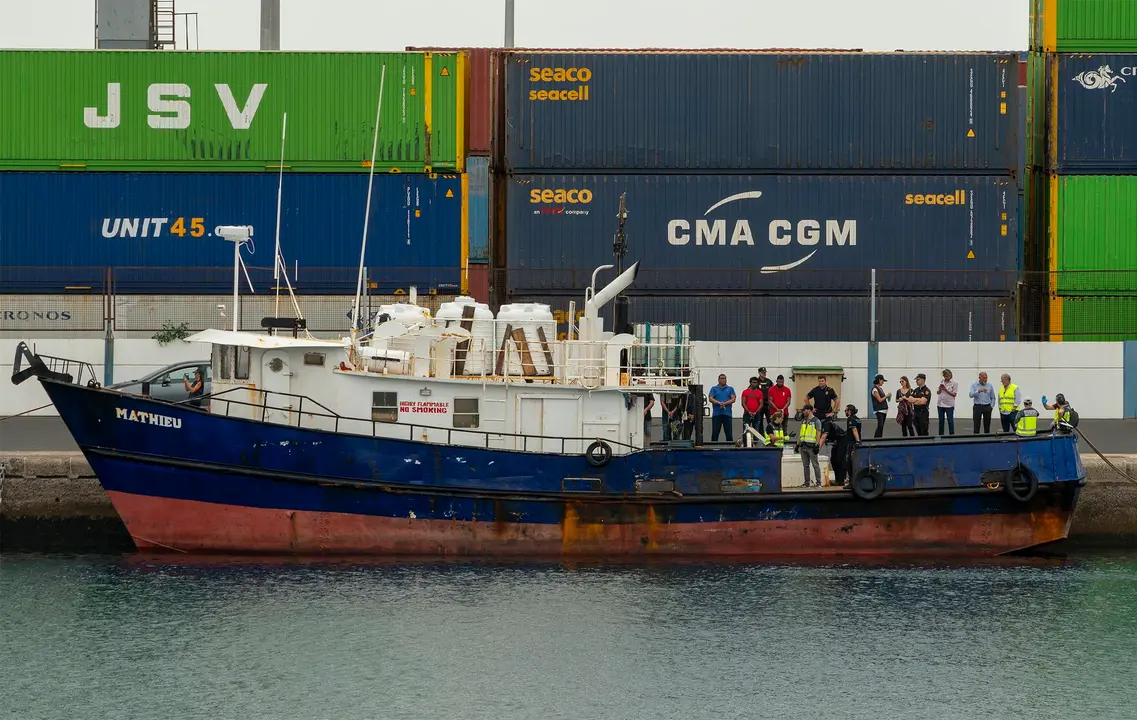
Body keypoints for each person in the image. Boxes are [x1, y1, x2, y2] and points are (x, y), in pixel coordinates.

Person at [796, 404, 823, 488]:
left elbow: (818, 433)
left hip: (811, 446)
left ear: (809, 410)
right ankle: (806, 483)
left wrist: (817, 445)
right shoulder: (803, 421)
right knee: (805, 465)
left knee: (815, 465)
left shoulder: (816, 421)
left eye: (804, 410)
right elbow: (801, 433)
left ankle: (818, 483)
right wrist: (797, 444)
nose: (803, 412)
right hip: (803, 446)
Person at [820, 411, 847, 487]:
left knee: (839, 459)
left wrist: (817, 448)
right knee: (833, 460)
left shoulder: (826, 424)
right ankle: (838, 479)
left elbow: (824, 436)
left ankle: (841, 480)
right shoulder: (822, 424)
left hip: (842, 441)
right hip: (837, 442)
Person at [708, 374, 736, 442]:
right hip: (717, 414)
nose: (724, 380)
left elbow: (733, 399)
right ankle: (713, 449)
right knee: (715, 433)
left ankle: (730, 449)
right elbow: (710, 398)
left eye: (725, 378)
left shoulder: (730, 389)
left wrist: (724, 404)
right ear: (718, 380)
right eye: (722, 378)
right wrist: (718, 403)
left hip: (727, 414)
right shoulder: (714, 388)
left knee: (729, 433)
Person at [937, 369, 958, 436]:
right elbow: (938, 392)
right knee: (941, 421)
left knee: (950, 421)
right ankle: (941, 435)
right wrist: (940, 389)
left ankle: (951, 435)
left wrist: (945, 390)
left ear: (951, 376)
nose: (946, 378)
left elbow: (954, 394)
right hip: (940, 404)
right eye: (945, 376)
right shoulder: (942, 382)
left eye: (947, 376)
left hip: (949, 405)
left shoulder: (954, 383)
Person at [871, 374, 889, 438]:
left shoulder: (880, 388)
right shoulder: (875, 389)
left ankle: (879, 438)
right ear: (879, 380)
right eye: (882, 381)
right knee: (880, 425)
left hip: (884, 410)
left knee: (881, 426)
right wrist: (886, 396)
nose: (883, 382)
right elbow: (880, 400)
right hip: (879, 410)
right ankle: (876, 438)